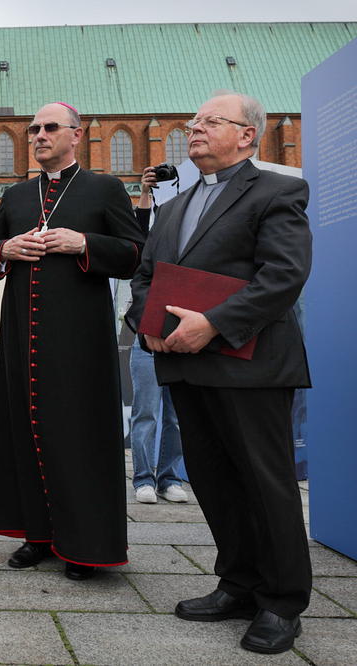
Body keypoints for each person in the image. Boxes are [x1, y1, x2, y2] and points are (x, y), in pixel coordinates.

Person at [126, 91, 312, 655]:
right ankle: (237, 584)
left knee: (265, 482)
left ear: (248, 134)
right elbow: (145, 274)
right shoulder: (177, 205)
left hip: (250, 362)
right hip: (187, 365)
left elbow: (283, 275)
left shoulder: (280, 191)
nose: (195, 128)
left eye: (211, 121)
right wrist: (146, 323)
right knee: (213, 482)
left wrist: (213, 323)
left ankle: (282, 602)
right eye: (195, 121)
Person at [0, 102, 144, 580]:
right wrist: (5, 249)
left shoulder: (105, 189)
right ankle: (37, 535)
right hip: (21, 340)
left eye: (50, 128)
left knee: (78, 436)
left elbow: (136, 255)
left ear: (76, 135)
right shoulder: (14, 194)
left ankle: (86, 545)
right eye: (34, 129)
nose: (39, 135)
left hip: (80, 341)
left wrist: (84, 244)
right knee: (25, 433)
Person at [130, 167, 187, 504]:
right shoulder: (152, 223)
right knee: (147, 411)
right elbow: (138, 240)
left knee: (176, 413)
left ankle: (169, 477)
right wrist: (145, 194)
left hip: (181, 327)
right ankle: (143, 479)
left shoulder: (188, 219)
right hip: (148, 329)